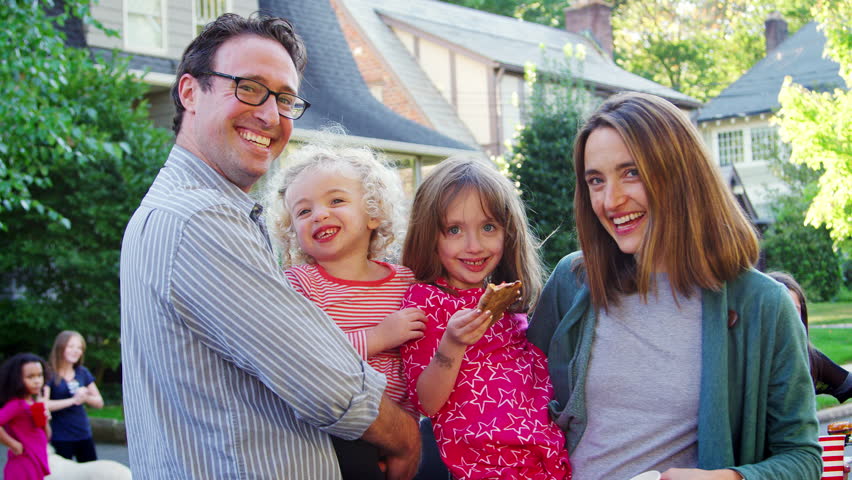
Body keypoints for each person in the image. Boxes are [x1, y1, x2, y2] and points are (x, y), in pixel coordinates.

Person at [119, 13, 420, 479]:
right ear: (189, 93)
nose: (269, 114)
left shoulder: (176, 210)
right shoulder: (200, 219)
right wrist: (405, 436)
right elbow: (320, 375)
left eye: (284, 98)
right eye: (248, 87)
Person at [527, 92, 821, 480]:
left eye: (631, 172)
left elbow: (802, 458)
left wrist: (727, 478)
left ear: (680, 174)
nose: (610, 200)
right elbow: (516, 396)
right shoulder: (574, 281)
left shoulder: (762, 305)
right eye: (595, 180)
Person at [399, 157, 572, 479]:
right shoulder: (426, 302)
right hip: (479, 464)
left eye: (488, 227)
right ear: (429, 236)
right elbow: (426, 403)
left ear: (509, 233)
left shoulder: (510, 305)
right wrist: (452, 344)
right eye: (454, 230)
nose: (474, 246)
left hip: (542, 460)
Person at [263, 143, 426, 478]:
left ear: (373, 211)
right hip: (333, 441)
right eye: (303, 211)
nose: (319, 214)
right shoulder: (301, 285)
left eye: (336, 200)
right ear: (292, 229)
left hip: (404, 432)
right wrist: (379, 337)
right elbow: (309, 361)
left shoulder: (406, 282)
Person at [767, 271, 852, 403]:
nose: (787, 320)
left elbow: (848, 384)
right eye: (779, 311)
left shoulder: (810, 358)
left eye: (793, 311)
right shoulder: (750, 360)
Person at [45, 330, 103, 462]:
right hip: (60, 437)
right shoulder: (49, 373)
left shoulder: (83, 372)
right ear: (60, 347)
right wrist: (73, 400)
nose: (76, 351)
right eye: (71, 346)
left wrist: (85, 398)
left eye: (79, 348)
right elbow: (44, 404)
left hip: (83, 434)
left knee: (90, 473)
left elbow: (99, 402)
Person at [0, 353, 51, 480]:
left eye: (40, 375)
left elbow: (46, 437)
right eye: (30, 377)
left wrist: (45, 421)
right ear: (17, 379)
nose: (37, 381)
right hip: (22, 465)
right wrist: (12, 444)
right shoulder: (17, 405)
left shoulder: (32, 404)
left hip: (35, 462)